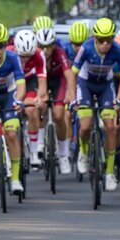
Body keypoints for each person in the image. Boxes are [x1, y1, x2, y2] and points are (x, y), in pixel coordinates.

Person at [72, 18, 120, 191]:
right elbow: (72, 73)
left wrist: (118, 99)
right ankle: (82, 152)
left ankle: (110, 172)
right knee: (85, 125)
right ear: (95, 38)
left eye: (109, 40)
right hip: (86, 84)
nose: (105, 44)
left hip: (105, 85)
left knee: (111, 127)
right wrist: (72, 98)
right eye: (101, 40)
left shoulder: (118, 50)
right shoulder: (86, 47)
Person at [0, 23, 27, 195]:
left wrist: (19, 100)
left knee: (12, 133)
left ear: (5, 45)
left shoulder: (13, 58)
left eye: (0, 45)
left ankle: (15, 178)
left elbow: (21, 83)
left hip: (9, 96)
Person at [35, 27, 76, 174]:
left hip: (58, 81)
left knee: (59, 115)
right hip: (41, 81)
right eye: (42, 46)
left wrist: (71, 93)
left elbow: (69, 74)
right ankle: (39, 144)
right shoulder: (35, 54)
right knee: (41, 108)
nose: (45, 50)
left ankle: (64, 155)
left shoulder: (60, 52)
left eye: (49, 46)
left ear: (54, 45)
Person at [14, 30, 48, 167]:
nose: (25, 60)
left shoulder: (39, 55)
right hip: (13, 82)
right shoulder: (9, 53)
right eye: (22, 56)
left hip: (29, 81)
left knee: (33, 110)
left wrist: (39, 98)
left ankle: (34, 152)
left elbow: (42, 83)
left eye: (28, 56)